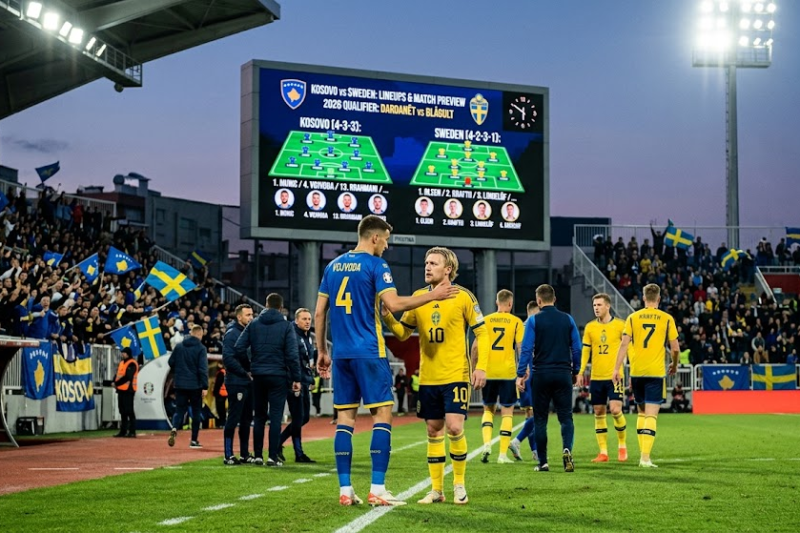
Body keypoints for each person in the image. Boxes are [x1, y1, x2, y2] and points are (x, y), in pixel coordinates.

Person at [315, 215, 458, 507]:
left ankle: (345, 490)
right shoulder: (376, 265)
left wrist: (321, 350)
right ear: (375, 237)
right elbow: (393, 304)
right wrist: (435, 296)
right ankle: (377, 489)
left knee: (345, 419)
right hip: (370, 351)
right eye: (387, 240)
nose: (388, 247)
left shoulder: (332, 266)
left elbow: (319, 313)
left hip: (341, 354)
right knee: (382, 415)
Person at [383, 247, 488, 505]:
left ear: (448, 269)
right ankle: (437, 490)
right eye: (426, 263)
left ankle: (459, 485)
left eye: (433, 263)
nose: (427, 267)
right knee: (433, 431)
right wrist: (387, 318)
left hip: (455, 374)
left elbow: (482, 333)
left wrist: (480, 366)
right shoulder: (419, 298)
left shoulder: (463, 296)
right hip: (428, 377)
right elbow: (404, 333)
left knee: (454, 426)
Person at [613, 283, 680, 468]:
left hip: (637, 372)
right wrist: (674, 364)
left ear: (644, 298)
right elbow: (675, 348)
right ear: (659, 299)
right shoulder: (667, 318)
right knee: (651, 415)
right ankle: (645, 458)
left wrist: (616, 368)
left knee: (641, 412)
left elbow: (624, 345)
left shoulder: (633, 318)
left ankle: (642, 456)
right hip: (655, 372)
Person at [516, 284, 581, 473]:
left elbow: (526, 349)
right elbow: (576, 348)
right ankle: (567, 450)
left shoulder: (534, 320)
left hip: (541, 374)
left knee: (540, 420)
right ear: (555, 299)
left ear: (538, 300)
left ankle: (543, 462)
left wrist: (521, 374)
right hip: (562, 374)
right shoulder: (568, 320)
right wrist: (575, 370)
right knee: (566, 418)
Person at [235, 293, 301, 467]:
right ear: (281, 307)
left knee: (259, 417)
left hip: (258, 375)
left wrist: (249, 367)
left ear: (265, 304)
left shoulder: (254, 324)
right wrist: (296, 378)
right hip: (278, 375)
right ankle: (272, 456)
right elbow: (293, 355)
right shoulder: (286, 326)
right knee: (276, 416)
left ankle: (257, 455)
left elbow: (239, 347)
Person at [577, 293, 629, 463]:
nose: (596, 308)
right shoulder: (590, 327)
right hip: (596, 377)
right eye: (594, 305)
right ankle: (603, 452)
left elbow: (628, 347)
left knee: (615, 409)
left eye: (599, 305)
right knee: (599, 412)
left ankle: (622, 446)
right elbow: (586, 351)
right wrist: (580, 371)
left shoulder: (620, 325)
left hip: (614, 376)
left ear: (608, 306)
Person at [475, 289, 524, 464]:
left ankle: (487, 444)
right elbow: (520, 347)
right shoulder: (516, 322)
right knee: (507, 412)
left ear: (497, 302)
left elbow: (475, 347)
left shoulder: (485, 320)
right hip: (507, 372)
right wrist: (523, 370)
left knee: (488, 410)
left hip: (488, 372)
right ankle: (502, 455)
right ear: (510, 304)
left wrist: (475, 369)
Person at [278, 307, 317, 463]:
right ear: (296, 320)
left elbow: (307, 361)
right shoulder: (292, 335)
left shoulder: (308, 336)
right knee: (298, 417)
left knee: (304, 417)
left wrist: (311, 379)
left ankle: (279, 442)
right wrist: (297, 379)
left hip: (304, 380)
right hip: (295, 381)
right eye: (304, 319)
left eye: (309, 319)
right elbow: (293, 360)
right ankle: (298, 453)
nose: (307, 322)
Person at [222, 303, 255, 465]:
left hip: (248, 382)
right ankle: (228, 454)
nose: (251, 317)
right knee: (234, 418)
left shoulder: (247, 333)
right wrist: (245, 372)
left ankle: (244, 453)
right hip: (236, 381)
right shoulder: (232, 334)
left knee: (247, 419)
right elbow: (228, 359)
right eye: (248, 315)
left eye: (252, 315)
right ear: (239, 316)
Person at [168, 325, 209, 449]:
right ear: (200, 334)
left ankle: (175, 427)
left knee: (179, 410)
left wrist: (179, 372)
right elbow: (202, 369)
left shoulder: (179, 346)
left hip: (180, 384)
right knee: (196, 412)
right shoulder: (201, 348)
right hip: (195, 385)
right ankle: (194, 440)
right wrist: (205, 386)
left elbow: (170, 362)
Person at [508, 301, 539, 462]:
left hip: (522, 374)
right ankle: (517, 440)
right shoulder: (531, 327)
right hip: (530, 374)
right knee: (538, 413)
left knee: (530, 414)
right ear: (535, 311)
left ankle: (535, 451)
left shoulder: (521, 327)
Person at [113, 347, 138, 438]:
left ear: (127, 354)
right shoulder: (122, 363)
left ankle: (132, 431)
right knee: (122, 411)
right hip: (121, 389)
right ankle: (123, 431)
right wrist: (114, 381)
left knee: (129, 411)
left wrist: (116, 383)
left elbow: (128, 377)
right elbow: (117, 374)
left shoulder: (132, 363)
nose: (122, 354)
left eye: (123, 353)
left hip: (129, 390)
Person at [213, 362, 228, 426]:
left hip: (220, 393)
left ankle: (222, 422)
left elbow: (218, 384)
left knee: (220, 409)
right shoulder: (225, 372)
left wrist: (215, 392)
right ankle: (223, 421)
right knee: (223, 409)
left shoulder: (221, 373)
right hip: (225, 392)